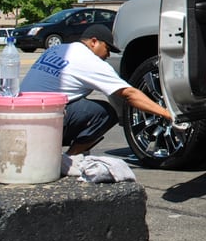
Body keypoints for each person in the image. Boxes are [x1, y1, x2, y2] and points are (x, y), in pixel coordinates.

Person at [20, 24, 174, 155]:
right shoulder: (89, 61)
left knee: (77, 101)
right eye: (107, 48)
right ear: (94, 42)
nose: (107, 55)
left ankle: (45, 151)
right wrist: (167, 113)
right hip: (45, 122)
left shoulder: (57, 50)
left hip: (18, 118)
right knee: (106, 113)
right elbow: (130, 94)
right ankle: (70, 158)